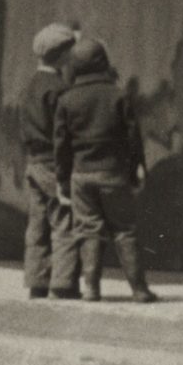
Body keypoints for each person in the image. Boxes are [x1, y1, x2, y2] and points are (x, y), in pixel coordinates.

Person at [53, 37, 156, 304]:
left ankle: (91, 289)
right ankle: (140, 289)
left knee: (88, 230)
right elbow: (133, 138)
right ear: (103, 62)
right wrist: (136, 170)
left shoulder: (67, 99)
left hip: (81, 175)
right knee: (124, 230)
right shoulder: (118, 95)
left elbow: (61, 146)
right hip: (113, 174)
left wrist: (63, 180)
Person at [20, 22, 80, 300]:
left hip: (32, 161)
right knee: (64, 221)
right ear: (63, 55)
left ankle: (37, 282)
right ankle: (63, 284)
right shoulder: (60, 89)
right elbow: (63, 134)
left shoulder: (30, 85)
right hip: (53, 164)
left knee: (38, 225)